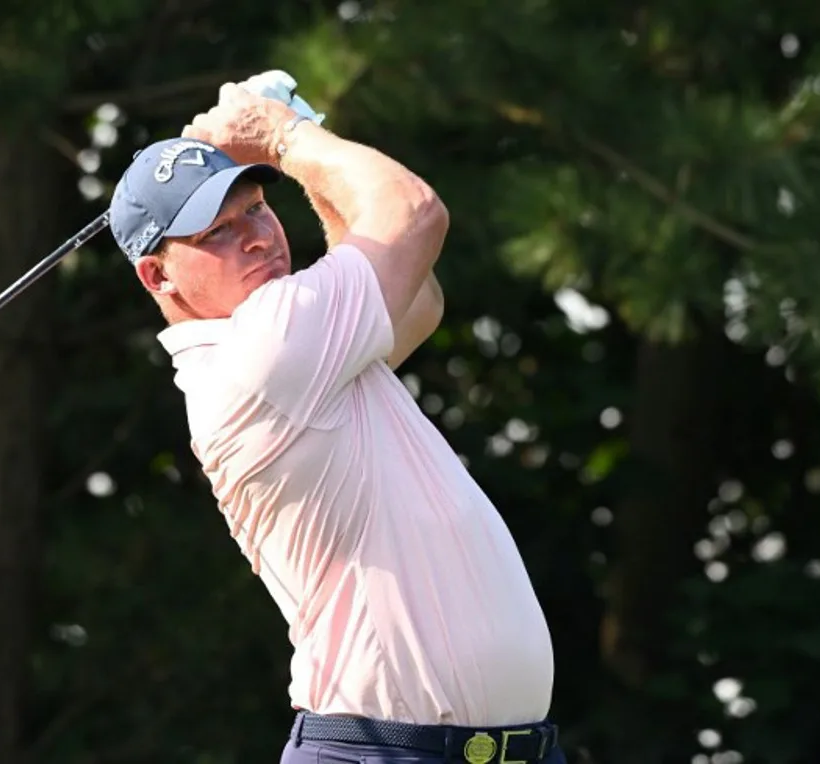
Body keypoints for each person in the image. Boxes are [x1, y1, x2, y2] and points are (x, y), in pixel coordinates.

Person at [108, 82, 564, 764]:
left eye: (258, 208)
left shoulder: (306, 345)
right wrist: (285, 133)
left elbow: (419, 298)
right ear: (157, 277)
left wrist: (298, 138)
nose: (258, 239)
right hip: (383, 752)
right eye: (218, 233)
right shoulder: (260, 349)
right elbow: (414, 214)